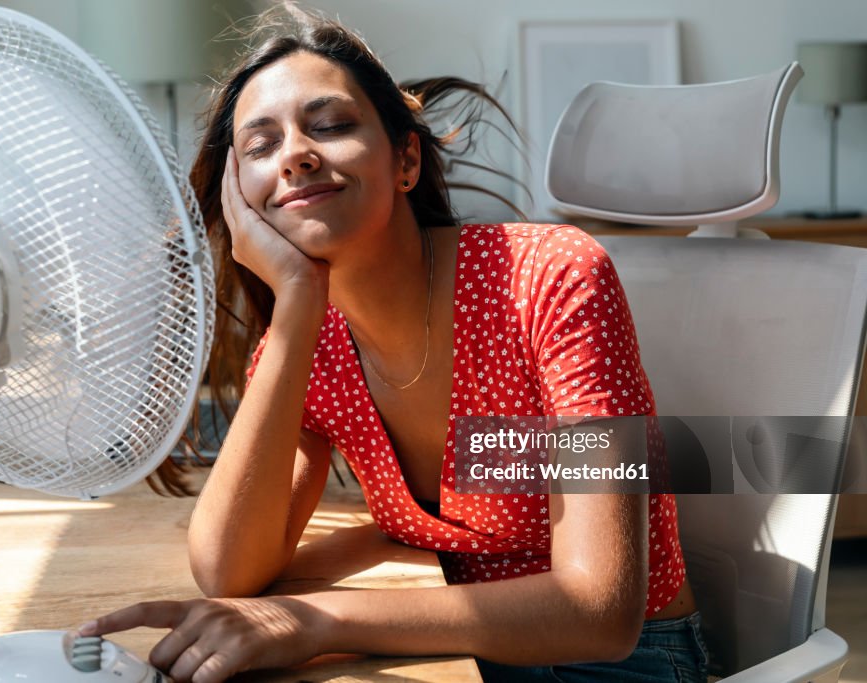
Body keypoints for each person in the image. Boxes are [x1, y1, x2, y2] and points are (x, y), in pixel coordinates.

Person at [77, 4, 709, 682]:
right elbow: (228, 569)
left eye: (330, 125)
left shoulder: (552, 281)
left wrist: (318, 620)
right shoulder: (307, 345)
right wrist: (293, 307)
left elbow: (599, 610)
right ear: (242, 199)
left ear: (405, 158)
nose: (294, 153)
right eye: (260, 147)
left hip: (618, 664)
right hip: (460, 651)